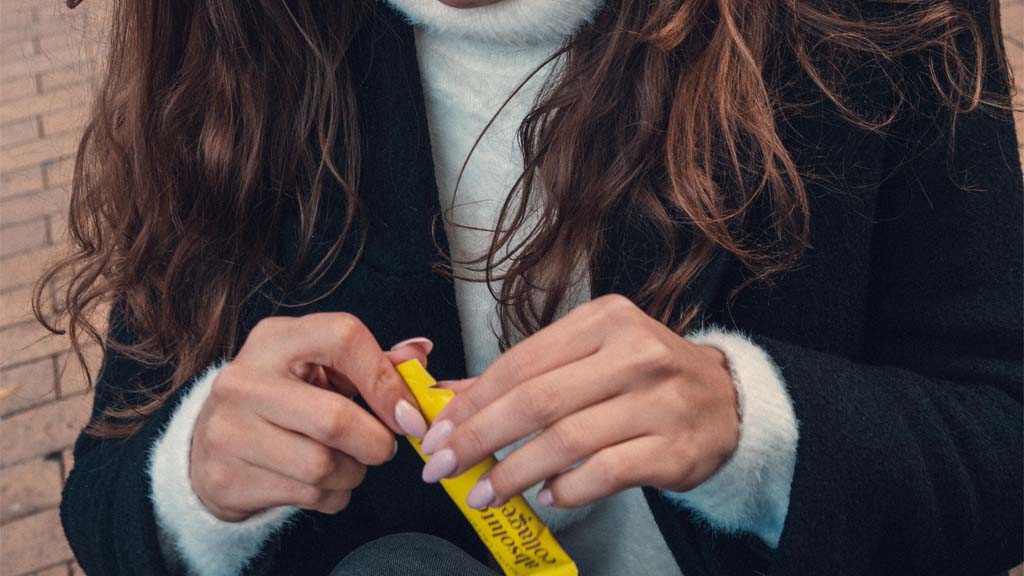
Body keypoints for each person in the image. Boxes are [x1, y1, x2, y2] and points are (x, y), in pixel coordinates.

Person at [43, 0, 1022, 574]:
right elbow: (104, 496)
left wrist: (753, 428)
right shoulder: (232, 39)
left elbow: (997, 439)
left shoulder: (880, 21)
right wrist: (199, 481)